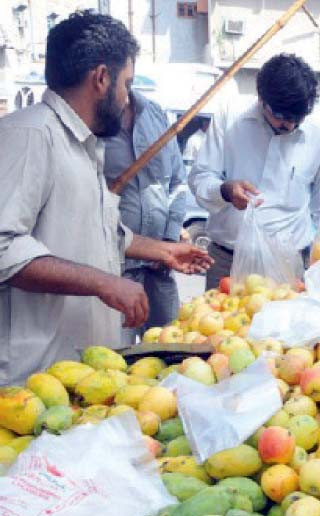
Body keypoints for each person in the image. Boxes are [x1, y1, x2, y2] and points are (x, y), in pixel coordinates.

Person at [0, 12, 210, 384]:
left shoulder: (82, 144)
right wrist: (105, 282)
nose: (127, 97)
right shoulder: (31, 135)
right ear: (101, 78)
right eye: (126, 84)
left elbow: (104, 233)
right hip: (32, 377)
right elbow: (4, 246)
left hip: (80, 371)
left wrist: (163, 250)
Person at [189, 53, 320, 290]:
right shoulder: (229, 119)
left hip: (289, 266)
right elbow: (200, 178)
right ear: (261, 99)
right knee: (219, 325)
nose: (289, 125)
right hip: (227, 261)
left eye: (297, 118)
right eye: (281, 116)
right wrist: (225, 191)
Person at [104, 89, 188, 344]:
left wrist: (169, 241)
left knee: (171, 351)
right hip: (115, 269)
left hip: (159, 268)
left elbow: (177, 182)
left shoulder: (154, 114)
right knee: (115, 358)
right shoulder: (94, 121)